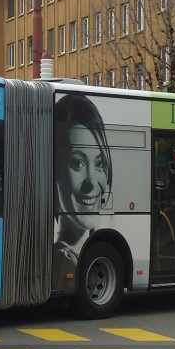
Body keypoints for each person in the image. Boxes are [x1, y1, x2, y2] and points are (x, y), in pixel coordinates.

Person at [53, 94, 113, 280]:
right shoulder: (62, 263)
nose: (92, 182)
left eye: (100, 163)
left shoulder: (76, 257)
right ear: (55, 170)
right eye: (78, 163)